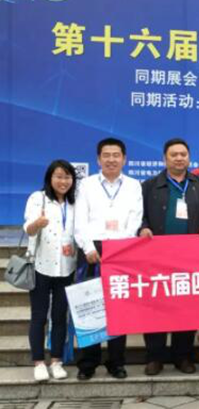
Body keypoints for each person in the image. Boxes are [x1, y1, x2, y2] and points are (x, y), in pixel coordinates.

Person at [139, 138, 199, 376]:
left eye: (183, 154)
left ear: (189, 157)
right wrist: (143, 227)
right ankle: (155, 357)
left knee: (186, 307)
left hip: (190, 258)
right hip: (157, 257)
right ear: (165, 158)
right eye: (174, 155)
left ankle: (182, 356)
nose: (179, 158)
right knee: (156, 307)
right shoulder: (149, 186)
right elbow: (138, 215)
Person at [74, 138, 143, 381]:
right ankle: (88, 363)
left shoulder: (134, 185)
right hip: (91, 251)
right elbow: (79, 219)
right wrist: (87, 247)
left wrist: (122, 247)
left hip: (121, 250)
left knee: (119, 307)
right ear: (98, 159)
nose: (111, 159)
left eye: (116, 155)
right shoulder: (87, 185)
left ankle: (116, 362)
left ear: (124, 159)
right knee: (90, 306)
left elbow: (135, 218)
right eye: (106, 155)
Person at [24, 160, 78, 381]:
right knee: (39, 316)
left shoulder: (75, 202)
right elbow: (28, 229)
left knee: (60, 315)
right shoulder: (38, 198)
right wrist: (37, 223)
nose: (63, 181)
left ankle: (56, 360)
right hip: (41, 266)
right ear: (49, 178)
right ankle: (38, 362)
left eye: (67, 177)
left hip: (66, 267)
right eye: (58, 176)